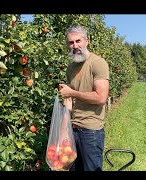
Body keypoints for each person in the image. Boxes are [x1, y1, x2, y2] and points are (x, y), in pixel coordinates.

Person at [59, 25, 110, 171]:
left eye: (78, 41)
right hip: (72, 130)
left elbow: (101, 98)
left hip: (91, 132)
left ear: (86, 41)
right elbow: (68, 100)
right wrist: (64, 129)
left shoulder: (97, 63)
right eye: (71, 42)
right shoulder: (71, 68)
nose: (75, 46)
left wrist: (72, 93)